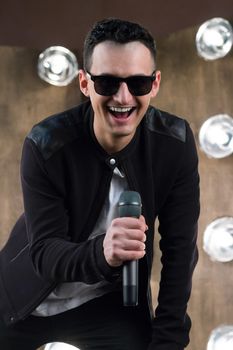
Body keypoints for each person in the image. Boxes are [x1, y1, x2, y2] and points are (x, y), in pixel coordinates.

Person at [0, 18, 200, 350]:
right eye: (107, 82)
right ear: (84, 83)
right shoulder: (47, 143)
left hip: (109, 307)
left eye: (138, 82)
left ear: (155, 83)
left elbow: (180, 253)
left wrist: (168, 342)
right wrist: (103, 252)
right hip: (21, 300)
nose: (123, 97)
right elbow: (44, 252)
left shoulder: (174, 143)